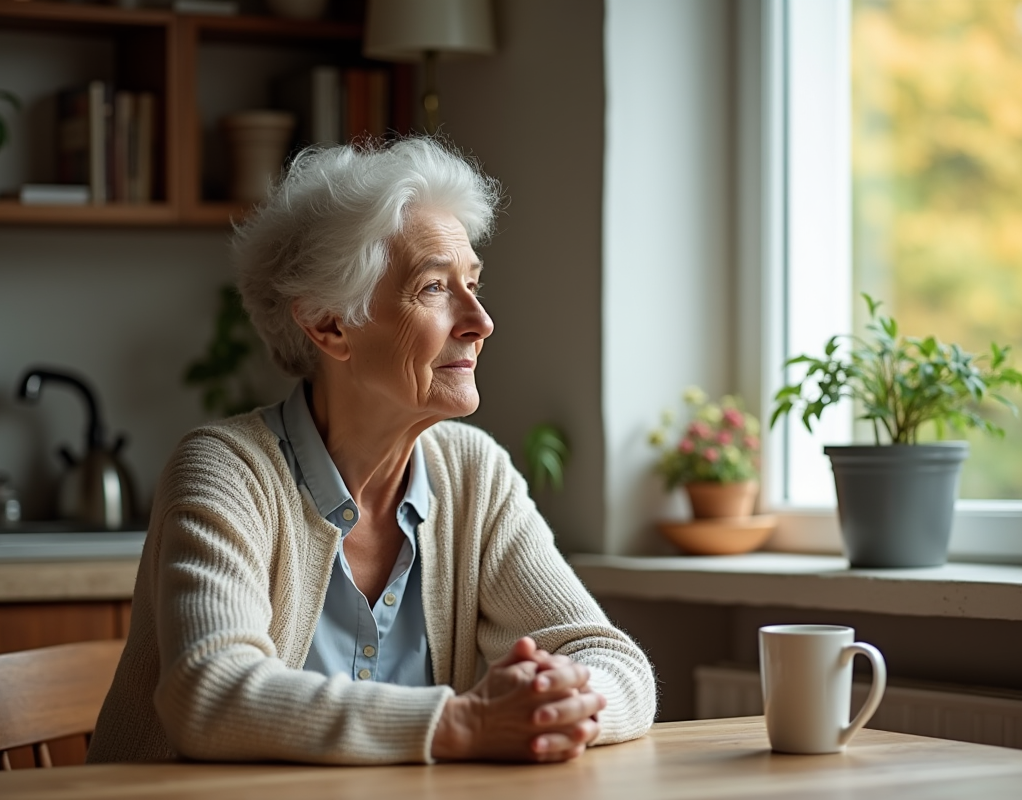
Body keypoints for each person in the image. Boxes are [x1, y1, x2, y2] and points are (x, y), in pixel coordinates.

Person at [87, 137, 656, 766]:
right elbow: (209, 694)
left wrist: (556, 703)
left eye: (472, 283)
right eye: (434, 288)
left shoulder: (474, 474)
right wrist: (463, 724)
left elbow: (614, 661)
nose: (481, 321)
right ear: (329, 324)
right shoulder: (227, 472)